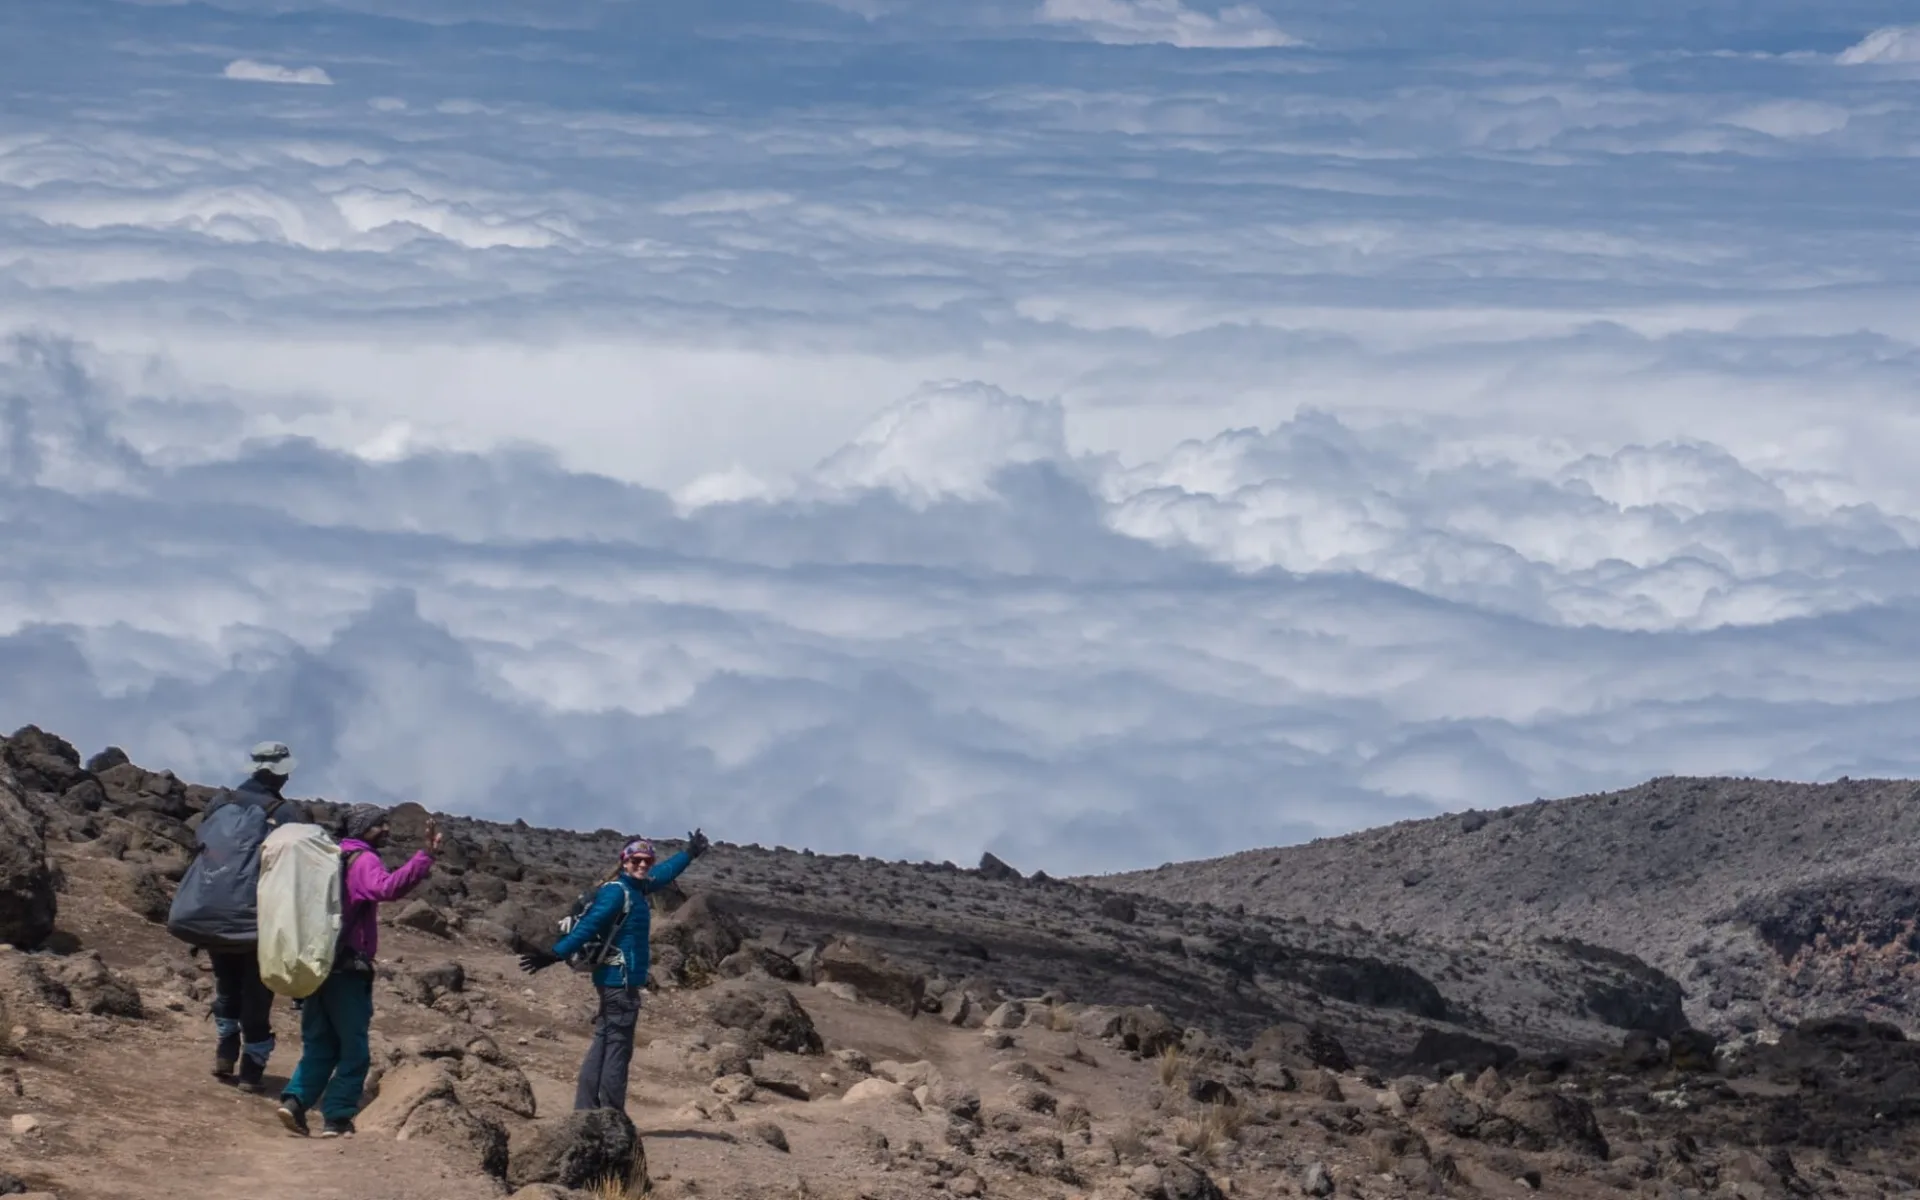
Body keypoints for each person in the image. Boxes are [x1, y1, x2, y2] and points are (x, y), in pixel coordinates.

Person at [276, 804, 439, 1138]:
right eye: (380, 824)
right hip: (348, 968)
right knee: (354, 1048)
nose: (386, 830)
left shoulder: (330, 857)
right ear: (363, 827)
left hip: (316, 963)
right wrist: (424, 857)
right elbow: (387, 888)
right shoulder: (362, 860)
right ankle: (336, 1117)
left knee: (319, 1041)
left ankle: (295, 1101)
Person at [518, 829, 711, 1111]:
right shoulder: (616, 893)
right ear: (624, 861)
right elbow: (589, 926)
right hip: (618, 982)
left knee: (604, 1041)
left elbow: (665, 873)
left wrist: (689, 853)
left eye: (647, 860)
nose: (643, 865)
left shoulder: (638, 887)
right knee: (618, 1048)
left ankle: (586, 1111)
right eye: (636, 860)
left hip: (617, 981)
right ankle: (612, 1113)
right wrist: (554, 954)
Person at [206, 741, 310, 1092]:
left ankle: (224, 1050)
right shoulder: (285, 814)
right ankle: (251, 1071)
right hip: (261, 917)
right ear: (278, 774)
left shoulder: (222, 803)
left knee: (226, 985)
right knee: (257, 994)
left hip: (218, 911)